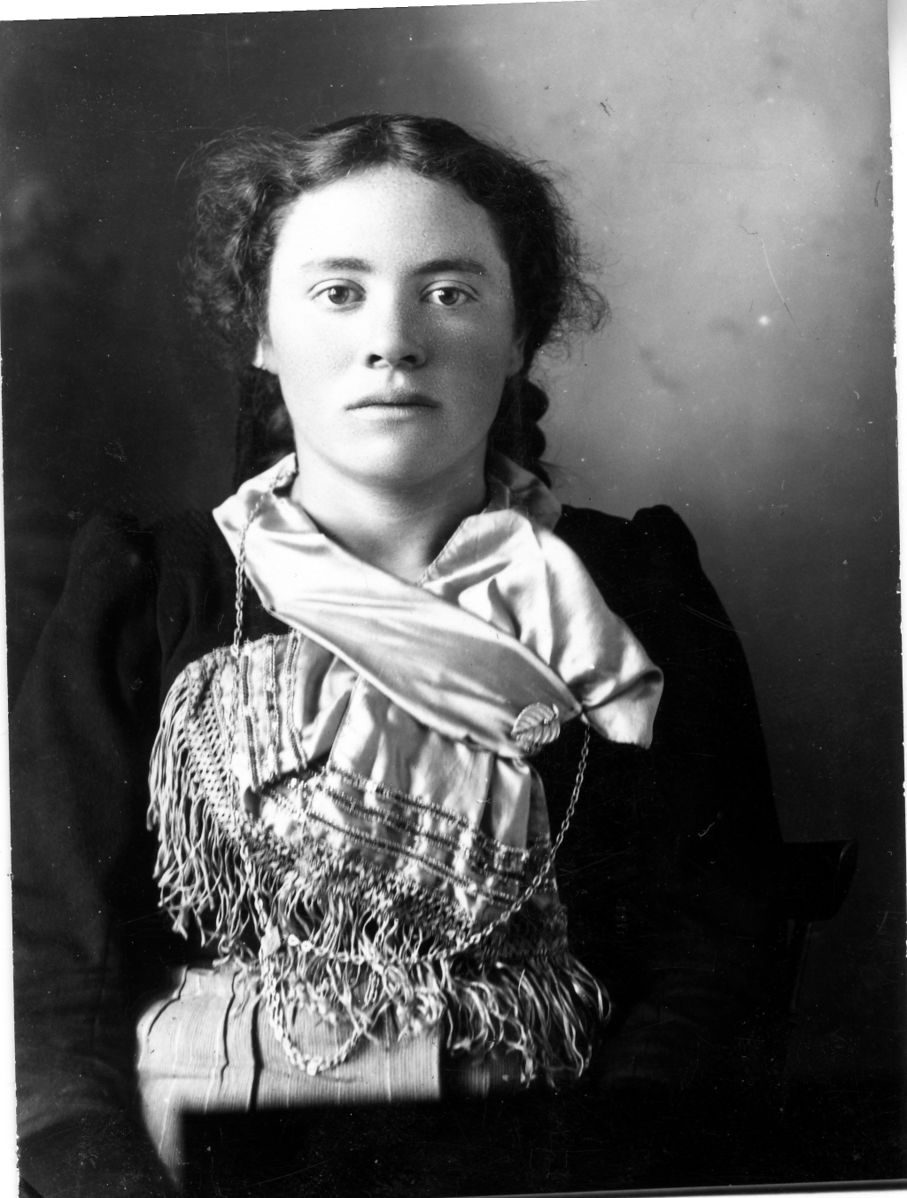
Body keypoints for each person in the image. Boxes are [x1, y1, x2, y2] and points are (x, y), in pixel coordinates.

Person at [11, 114, 784, 1198]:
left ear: (519, 334)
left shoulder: (633, 590)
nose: (393, 341)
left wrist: (608, 1170)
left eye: (450, 292)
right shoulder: (150, 592)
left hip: (547, 1165)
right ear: (262, 330)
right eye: (338, 292)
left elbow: (717, 950)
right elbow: (45, 977)